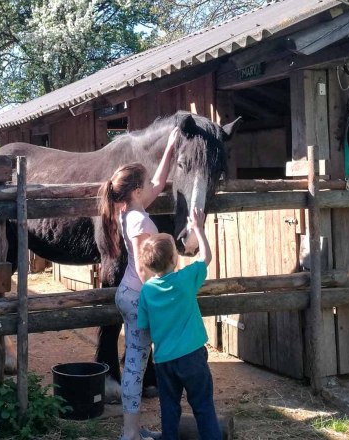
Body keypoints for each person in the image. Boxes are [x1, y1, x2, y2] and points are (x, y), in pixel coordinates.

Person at [98, 127, 180, 440]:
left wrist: (170, 148)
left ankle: (134, 430)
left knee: (139, 360)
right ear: (134, 191)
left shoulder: (130, 209)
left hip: (131, 295)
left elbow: (158, 184)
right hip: (138, 297)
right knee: (134, 365)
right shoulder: (137, 222)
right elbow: (145, 268)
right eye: (142, 185)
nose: (149, 187)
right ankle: (130, 432)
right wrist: (165, 298)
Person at [137, 208, 221, 440]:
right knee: (203, 407)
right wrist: (199, 229)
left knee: (169, 408)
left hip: (164, 360)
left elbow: (143, 324)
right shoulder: (186, 279)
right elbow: (206, 257)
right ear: (175, 259)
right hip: (192, 356)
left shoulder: (146, 291)